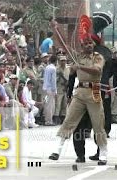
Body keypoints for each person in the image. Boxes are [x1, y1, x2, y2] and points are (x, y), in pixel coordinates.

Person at [48, 34, 108, 165]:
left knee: (98, 123)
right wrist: (55, 29)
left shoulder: (98, 57)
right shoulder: (77, 56)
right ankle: (57, 150)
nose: (89, 45)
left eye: (90, 43)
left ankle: (103, 152)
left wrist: (79, 67)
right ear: (82, 46)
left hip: (94, 90)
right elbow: (64, 44)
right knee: (69, 120)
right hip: (80, 91)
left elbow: (97, 71)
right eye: (86, 43)